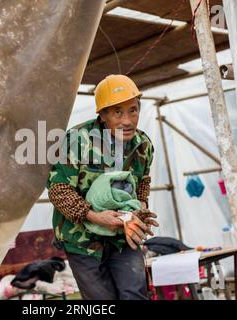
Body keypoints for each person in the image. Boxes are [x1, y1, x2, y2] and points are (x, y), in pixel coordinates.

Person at [46, 74, 158, 300]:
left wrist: (140, 210)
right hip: (82, 241)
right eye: (118, 112)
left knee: (134, 294)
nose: (127, 120)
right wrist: (96, 217)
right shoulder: (78, 140)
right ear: (103, 115)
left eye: (133, 110)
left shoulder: (143, 145)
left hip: (121, 237)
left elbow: (142, 182)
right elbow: (59, 189)